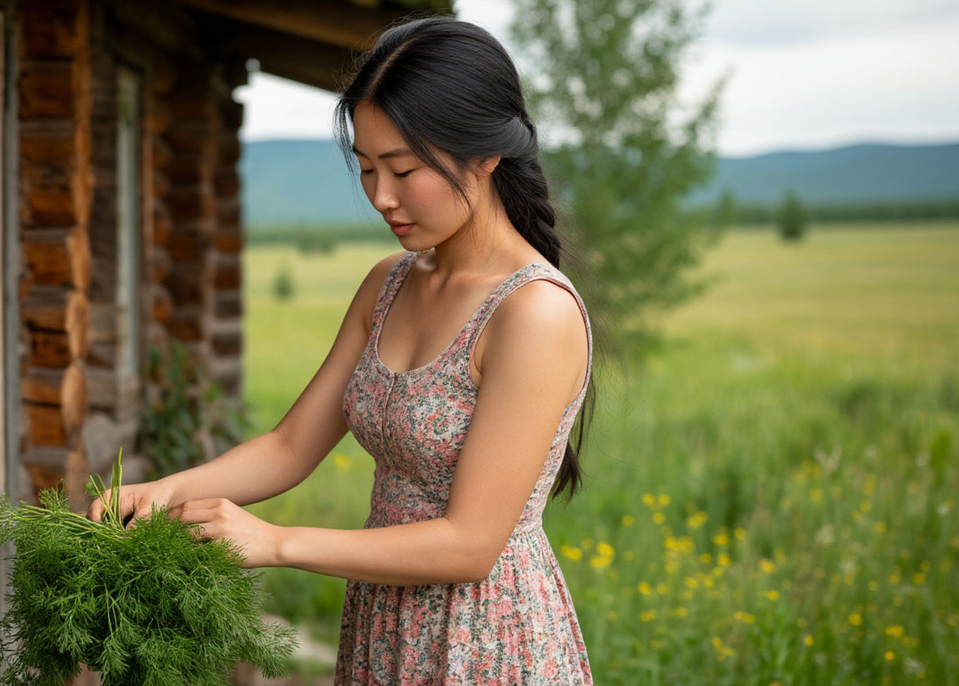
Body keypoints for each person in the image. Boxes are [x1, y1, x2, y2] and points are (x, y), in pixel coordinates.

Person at [90, 15, 597, 685]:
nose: (381, 197)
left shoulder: (534, 312)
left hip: (482, 637)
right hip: (383, 614)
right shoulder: (387, 286)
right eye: (365, 168)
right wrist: (162, 491)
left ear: (484, 156)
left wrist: (275, 543)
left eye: (403, 169)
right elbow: (290, 446)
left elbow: (471, 545)